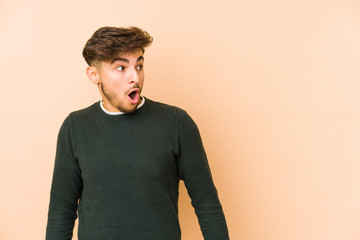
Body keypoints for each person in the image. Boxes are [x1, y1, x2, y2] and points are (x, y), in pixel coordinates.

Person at [46, 26, 229, 240]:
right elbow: (62, 211)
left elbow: (207, 204)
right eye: (121, 68)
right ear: (94, 74)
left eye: (139, 65)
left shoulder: (177, 123)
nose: (135, 77)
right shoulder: (74, 127)